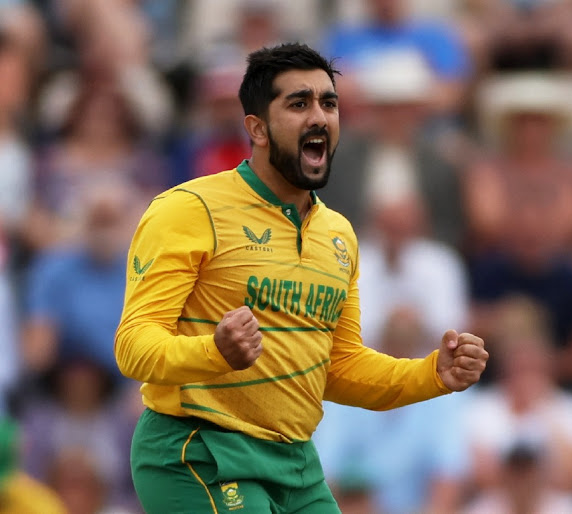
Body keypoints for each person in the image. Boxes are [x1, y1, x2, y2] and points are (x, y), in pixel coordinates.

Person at [115, 42, 488, 514]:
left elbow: (339, 367)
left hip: (296, 462)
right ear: (257, 128)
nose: (320, 117)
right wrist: (214, 353)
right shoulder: (188, 210)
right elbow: (133, 346)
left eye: (328, 103)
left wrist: (431, 374)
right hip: (199, 449)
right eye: (298, 103)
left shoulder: (338, 234)